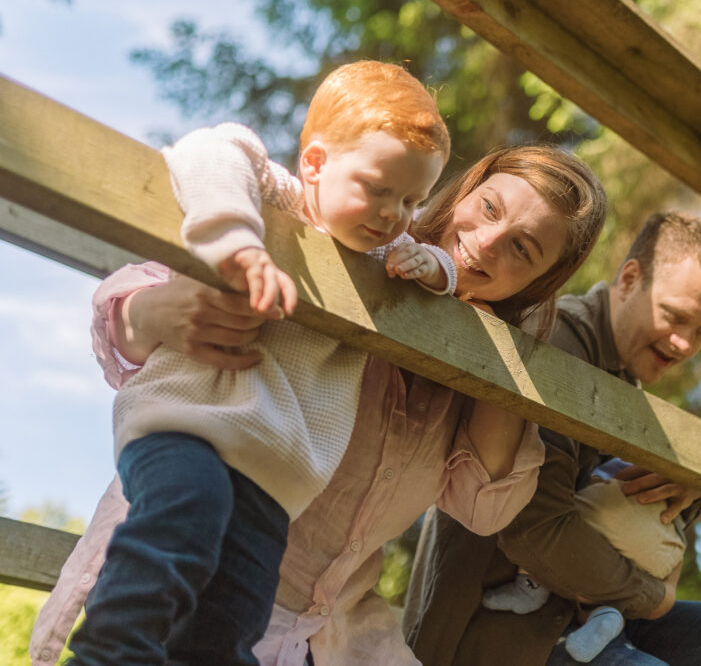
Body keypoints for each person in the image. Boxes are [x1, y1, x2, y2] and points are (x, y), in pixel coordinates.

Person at [31, 140, 608, 665]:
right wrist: (151, 311)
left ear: (537, 284)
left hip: (331, 638)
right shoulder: (352, 230)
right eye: (488, 208)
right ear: (464, 191)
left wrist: (508, 345)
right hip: (186, 569)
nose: (485, 242)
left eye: (522, 249)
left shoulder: (479, 365)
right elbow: (128, 319)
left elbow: (486, 509)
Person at [64, 60, 454, 666]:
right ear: (316, 165)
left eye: (411, 199)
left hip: (276, 474)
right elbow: (213, 149)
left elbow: (436, 267)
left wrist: (437, 269)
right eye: (377, 188)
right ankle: (110, 650)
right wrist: (240, 242)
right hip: (189, 424)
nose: (391, 213)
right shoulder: (285, 201)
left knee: (235, 612)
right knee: (182, 520)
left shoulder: (383, 257)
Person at [403, 212, 701, 666]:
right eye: (676, 316)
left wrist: (692, 485)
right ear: (630, 279)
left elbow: (644, 516)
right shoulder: (558, 340)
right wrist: (654, 597)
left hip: (596, 613)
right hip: (505, 628)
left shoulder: (629, 384)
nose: (686, 344)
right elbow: (532, 529)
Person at [480, 457, 697, 663]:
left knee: (566, 530)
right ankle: (607, 613)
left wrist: (694, 489)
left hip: (610, 514)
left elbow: (541, 529)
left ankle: (530, 587)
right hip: (665, 551)